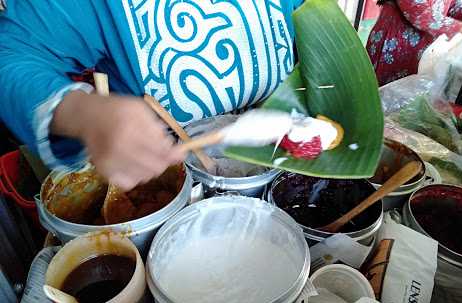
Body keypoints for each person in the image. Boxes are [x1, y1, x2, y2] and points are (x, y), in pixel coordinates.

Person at [0, 1, 303, 190]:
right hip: (166, 189)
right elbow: (11, 54)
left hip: (289, 182)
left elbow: (314, 25)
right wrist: (87, 115)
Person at [366, 0, 462, 86]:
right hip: (393, 45)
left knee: (403, 95)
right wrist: (461, 27)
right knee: (381, 92)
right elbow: (419, 13)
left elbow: (450, 3)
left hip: (419, 50)